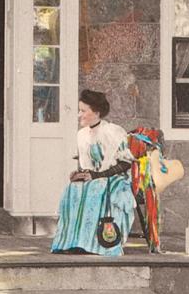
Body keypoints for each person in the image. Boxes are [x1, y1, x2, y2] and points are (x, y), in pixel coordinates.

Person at [51, 89, 135, 257]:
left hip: (116, 178)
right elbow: (87, 165)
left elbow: (126, 163)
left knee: (96, 188)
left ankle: (96, 243)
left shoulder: (112, 131)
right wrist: (79, 174)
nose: (79, 114)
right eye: (79, 110)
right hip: (95, 178)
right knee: (72, 189)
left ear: (96, 112)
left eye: (83, 111)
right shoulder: (81, 135)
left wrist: (98, 176)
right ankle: (73, 242)